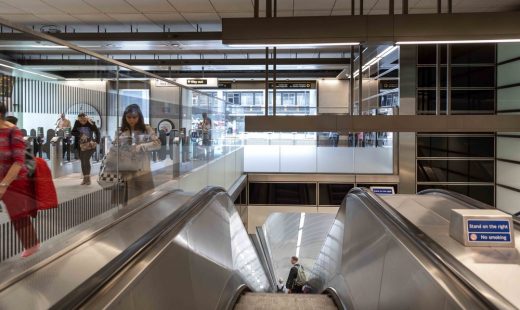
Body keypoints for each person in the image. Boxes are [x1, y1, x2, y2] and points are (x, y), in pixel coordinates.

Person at [0, 103, 39, 257]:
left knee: (17, 213)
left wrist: (4, 184)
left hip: (14, 179)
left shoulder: (13, 132)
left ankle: (31, 244)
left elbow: (18, 161)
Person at [113, 104, 160, 205]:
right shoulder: (121, 131)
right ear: (125, 118)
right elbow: (115, 147)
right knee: (127, 195)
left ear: (139, 117)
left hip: (142, 165)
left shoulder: (146, 129)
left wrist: (142, 146)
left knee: (143, 194)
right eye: (128, 117)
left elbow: (157, 144)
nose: (131, 120)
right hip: (126, 166)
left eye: (134, 117)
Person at [72, 113, 100, 185]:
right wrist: (80, 134)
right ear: (78, 119)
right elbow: (73, 132)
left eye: (84, 120)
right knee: (82, 161)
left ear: (86, 118)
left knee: (86, 159)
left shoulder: (90, 122)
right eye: (80, 120)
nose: (82, 121)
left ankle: (88, 179)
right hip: (80, 145)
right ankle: (85, 178)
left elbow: (97, 132)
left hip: (90, 145)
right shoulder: (77, 122)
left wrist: (97, 141)